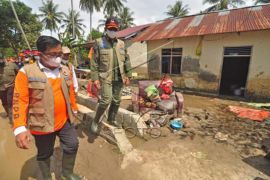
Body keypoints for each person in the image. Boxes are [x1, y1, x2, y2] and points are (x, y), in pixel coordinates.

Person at [13, 36, 82, 179]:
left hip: (64, 121)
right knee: (45, 153)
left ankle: (67, 173)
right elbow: (20, 100)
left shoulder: (64, 70)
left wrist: (74, 110)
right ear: (40, 54)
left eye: (59, 54)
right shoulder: (26, 72)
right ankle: (46, 177)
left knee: (72, 145)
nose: (57, 58)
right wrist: (19, 128)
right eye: (53, 54)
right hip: (41, 123)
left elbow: (70, 93)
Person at [90, 17, 132, 133]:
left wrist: (129, 75)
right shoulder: (99, 42)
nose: (112, 31)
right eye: (110, 29)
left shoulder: (122, 44)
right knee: (106, 100)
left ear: (117, 29)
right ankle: (96, 120)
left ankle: (111, 119)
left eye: (114, 29)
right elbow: (94, 62)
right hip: (105, 76)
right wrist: (94, 78)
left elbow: (127, 60)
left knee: (117, 100)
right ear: (106, 28)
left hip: (119, 77)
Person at [0, 56, 18, 123]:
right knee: (4, 103)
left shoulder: (12, 65)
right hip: (1, 88)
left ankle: (12, 118)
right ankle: (8, 113)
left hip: (11, 86)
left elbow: (18, 73)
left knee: (10, 102)